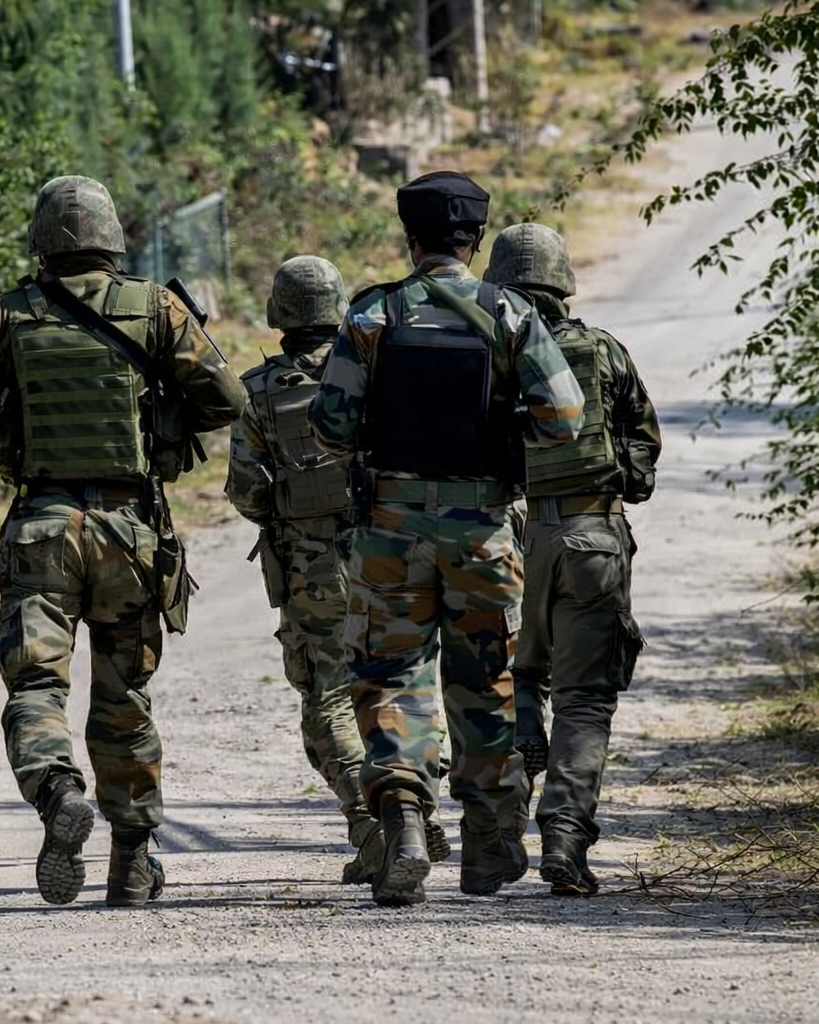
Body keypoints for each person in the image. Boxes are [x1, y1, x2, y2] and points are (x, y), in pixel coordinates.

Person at [0, 175, 245, 906]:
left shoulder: (11, 315)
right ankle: (131, 864)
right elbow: (226, 400)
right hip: (129, 531)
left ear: (41, 241)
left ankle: (56, 793)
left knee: (36, 685)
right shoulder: (156, 307)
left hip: (41, 527)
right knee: (123, 694)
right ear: (112, 238)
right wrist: (162, 415)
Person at [306, 171, 584, 906]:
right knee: (484, 681)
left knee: (391, 677)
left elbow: (329, 427)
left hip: (390, 535)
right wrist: (501, 430)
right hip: (483, 530)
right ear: (476, 239)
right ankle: (489, 844)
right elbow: (565, 418)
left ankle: (402, 815)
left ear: (411, 237)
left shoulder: (374, 312)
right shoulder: (510, 312)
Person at [224, 255, 452, 884]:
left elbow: (246, 492)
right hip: (391, 552)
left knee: (327, 698)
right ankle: (410, 807)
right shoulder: (380, 372)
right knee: (400, 682)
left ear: (279, 314)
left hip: (313, 568)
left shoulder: (259, 390)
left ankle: (371, 824)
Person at [484, 223, 660, 895]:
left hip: (509, 537)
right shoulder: (603, 351)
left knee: (514, 678)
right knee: (584, 698)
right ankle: (563, 839)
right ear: (562, 282)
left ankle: (505, 818)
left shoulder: (486, 354)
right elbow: (642, 455)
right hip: (592, 537)